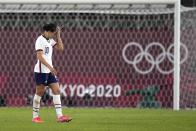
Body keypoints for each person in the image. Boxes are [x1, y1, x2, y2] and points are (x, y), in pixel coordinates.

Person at [32, 23, 72, 123]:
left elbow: (60, 48)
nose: (54, 35)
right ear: (48, 32)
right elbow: (40, 57)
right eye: (54, 33)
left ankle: (60, 116)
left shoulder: (50, 40)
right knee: (39, 94)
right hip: (41, 71)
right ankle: (35, 117)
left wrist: (58, 36)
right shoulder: (39, 40)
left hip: (49, 71)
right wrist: (50, 67)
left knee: (57, 90)